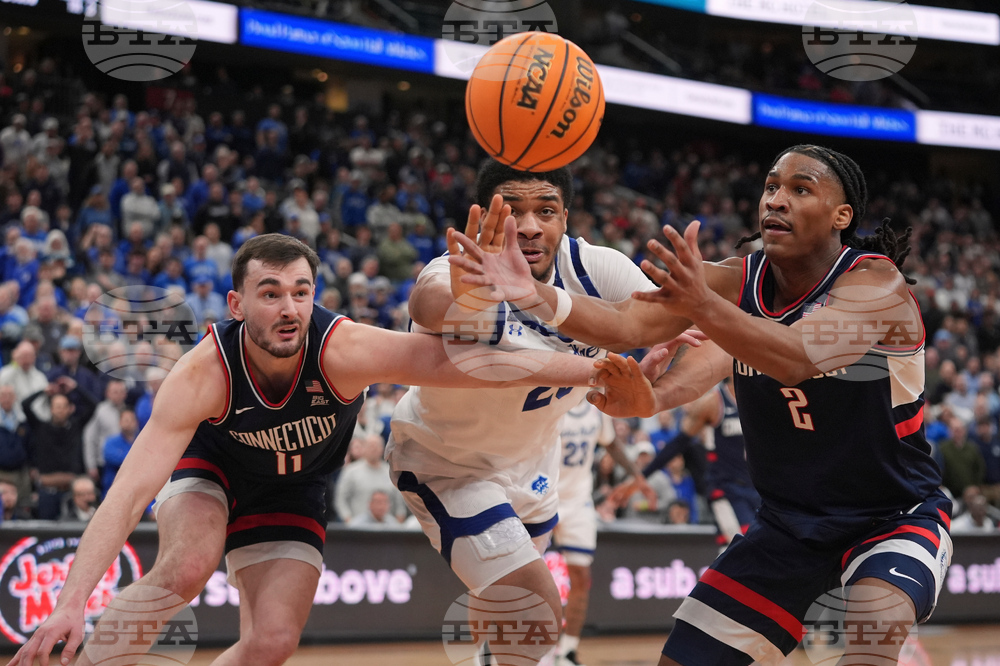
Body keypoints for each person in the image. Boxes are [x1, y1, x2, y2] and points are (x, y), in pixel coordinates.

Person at [451, 144, 952, 666]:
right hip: (788, 526)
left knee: (872, 625)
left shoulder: (877, 285)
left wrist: (704, 304)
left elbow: (796, 356)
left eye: (800, 189)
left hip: (891, 516)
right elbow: (630, 324)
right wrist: (535, 296)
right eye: (771, 187)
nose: (776, 200)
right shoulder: (737, 281)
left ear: (841, 216)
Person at [10, 233, 604, 666]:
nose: (289, 308)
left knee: (271, 643)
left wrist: (596, 371)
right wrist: (70, 602)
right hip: (213, 467)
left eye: (301, 292)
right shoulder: (202, 373)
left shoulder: (343, 350)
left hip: (294, 488)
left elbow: (468, 364)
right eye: (270, 294)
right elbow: (127, 493)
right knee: (187, 567)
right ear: (237, 305)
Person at [387, 159, 666, 666]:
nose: (531, 226)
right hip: (447, 463)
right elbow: (426, 303)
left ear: (566, 218)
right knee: (534, 616)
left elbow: (676, 322)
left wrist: (658, 388)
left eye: (547, 211)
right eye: (512, 210)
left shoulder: (597, 269)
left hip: (535, 466)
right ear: (484, 217)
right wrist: (469, 298)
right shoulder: (453, 271)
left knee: (501, 608)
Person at [552, 401, 651, 666]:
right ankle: (501, 646)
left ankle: (568, 651)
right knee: (520, 575)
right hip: (542, 496)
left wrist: (637, 475)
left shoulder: (595, 409)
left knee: (581, 577)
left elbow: (611, 444)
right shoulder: (550, 402)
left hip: (578, 501)